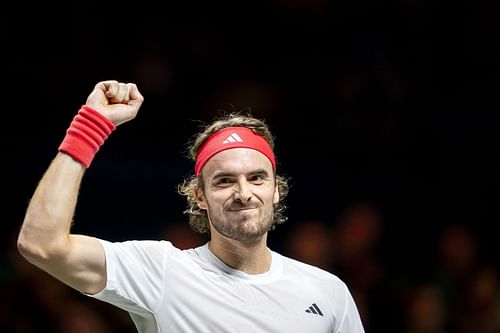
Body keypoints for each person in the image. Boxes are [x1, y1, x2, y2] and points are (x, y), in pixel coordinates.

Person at [18, 80, 365, 332]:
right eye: (224, 181)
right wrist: (89, 127)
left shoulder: (327, 292)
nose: (243, 193)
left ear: (276, 190)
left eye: (257, 178)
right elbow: (41, 244)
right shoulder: (160, 271)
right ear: (198, 196)